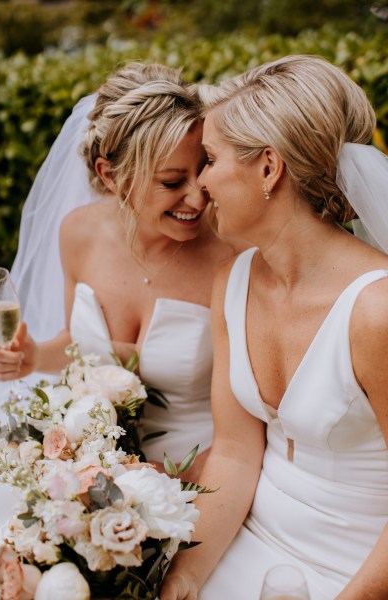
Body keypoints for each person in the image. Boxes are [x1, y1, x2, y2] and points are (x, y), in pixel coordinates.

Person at [159, 55, 388, 600]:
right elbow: (237, 456)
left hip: (357, 573)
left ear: (268, 168)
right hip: (245, 543)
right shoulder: (232, 282)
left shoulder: (376, 311)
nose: (202, 184)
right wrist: (185, 576)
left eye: (210, 159)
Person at [0, 62, 239, 548]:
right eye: (171, 181)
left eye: (202, 170)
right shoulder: (78, 232)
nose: (197, 197)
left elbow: (248, 427)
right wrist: (30, 357)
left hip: (199, 473)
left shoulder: (230, 255)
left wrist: (161, 495)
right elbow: (80, 348)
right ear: (110, 173)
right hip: (91, 470)